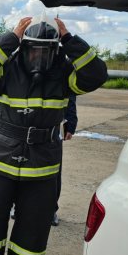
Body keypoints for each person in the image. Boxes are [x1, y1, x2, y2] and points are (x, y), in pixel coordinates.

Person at [0, 15, 107, 255]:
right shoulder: (5, 67)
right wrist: (11, 37)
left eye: (46, 49)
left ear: (55, 49)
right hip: (0, 157)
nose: (39, 56)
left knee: (34, 225)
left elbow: (96, 75)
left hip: (42, 160)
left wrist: (69, 39)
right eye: (33, 49)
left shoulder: (65, 72)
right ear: (24, 46)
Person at [52, 94, 78, 226]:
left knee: (53, 172)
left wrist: (70, 124)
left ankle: (50, 210)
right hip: (22, 127)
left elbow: (69, 97)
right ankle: (19, 207)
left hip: (53, 129)